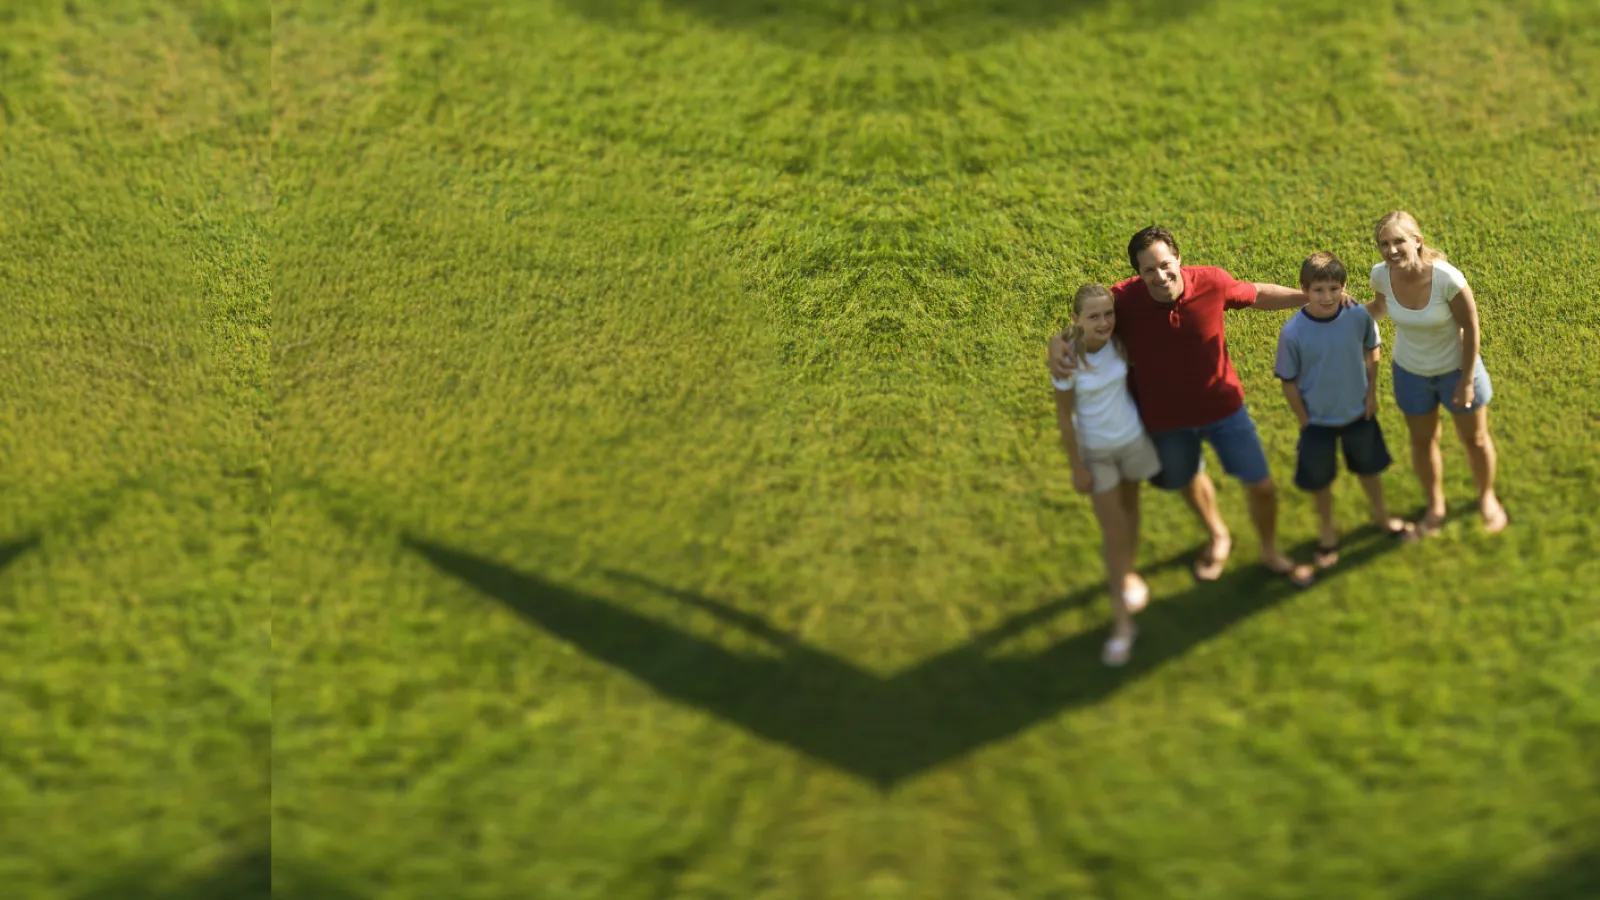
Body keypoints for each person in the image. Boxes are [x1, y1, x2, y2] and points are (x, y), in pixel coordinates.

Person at [1048, 226, 1349, 588]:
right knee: (1186, 477)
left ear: (1178, 259)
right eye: (1148, 270)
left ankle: (1270, 551)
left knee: (1263, 487)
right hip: (1165, 421)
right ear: (1138, 274)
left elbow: (1257, 294)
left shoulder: (1211, 283)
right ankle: (1218, 534)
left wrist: (1311, 298)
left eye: (1164, 264)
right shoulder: (1123, 302)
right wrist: (1058, 341)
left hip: (1224, 409)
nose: (1160, 276)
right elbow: (1089, 323)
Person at [1365, 211, 1508, 536]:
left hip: (1456, 370)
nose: (1391, 250)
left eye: (1399, 241)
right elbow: (1381, 307)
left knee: (1475, 438)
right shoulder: (1381, 275)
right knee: (1423, 441)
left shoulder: (1446, 278)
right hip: (1410, 373)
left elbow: (1471, 329)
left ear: (1417, 241)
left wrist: (1467, 380)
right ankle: (1436, 504)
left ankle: (1487, 497)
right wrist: (1347, 315)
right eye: (1384, 244)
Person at [1274, 252, 1416, 567]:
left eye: (1334, 289)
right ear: (1304, 289)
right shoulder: (1293, 333)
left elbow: (1372, 347)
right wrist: (1303, 419)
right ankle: (1327, 533)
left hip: (1357, 412)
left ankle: (1381, 517)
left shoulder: (1357, 317)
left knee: (1369, 469)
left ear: (1344, 287)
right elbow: (1288, 380)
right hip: (1317, 422)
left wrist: (1370, 393)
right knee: (1320, 481)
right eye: (1319, 290)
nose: (1327, 297)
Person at [1051, 283, 1162, 667]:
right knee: (1114, 535)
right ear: (1077, 320)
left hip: (1132, 441)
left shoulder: (1119, 342)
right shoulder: (1067, 358)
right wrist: (1076, 466)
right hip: (1096, 454)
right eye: (1093, 316)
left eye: (1108, 314)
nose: (1103, 322)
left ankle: (1130, 577)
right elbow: (1065, 418)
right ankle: (1122, 627)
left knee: (1132, 516)